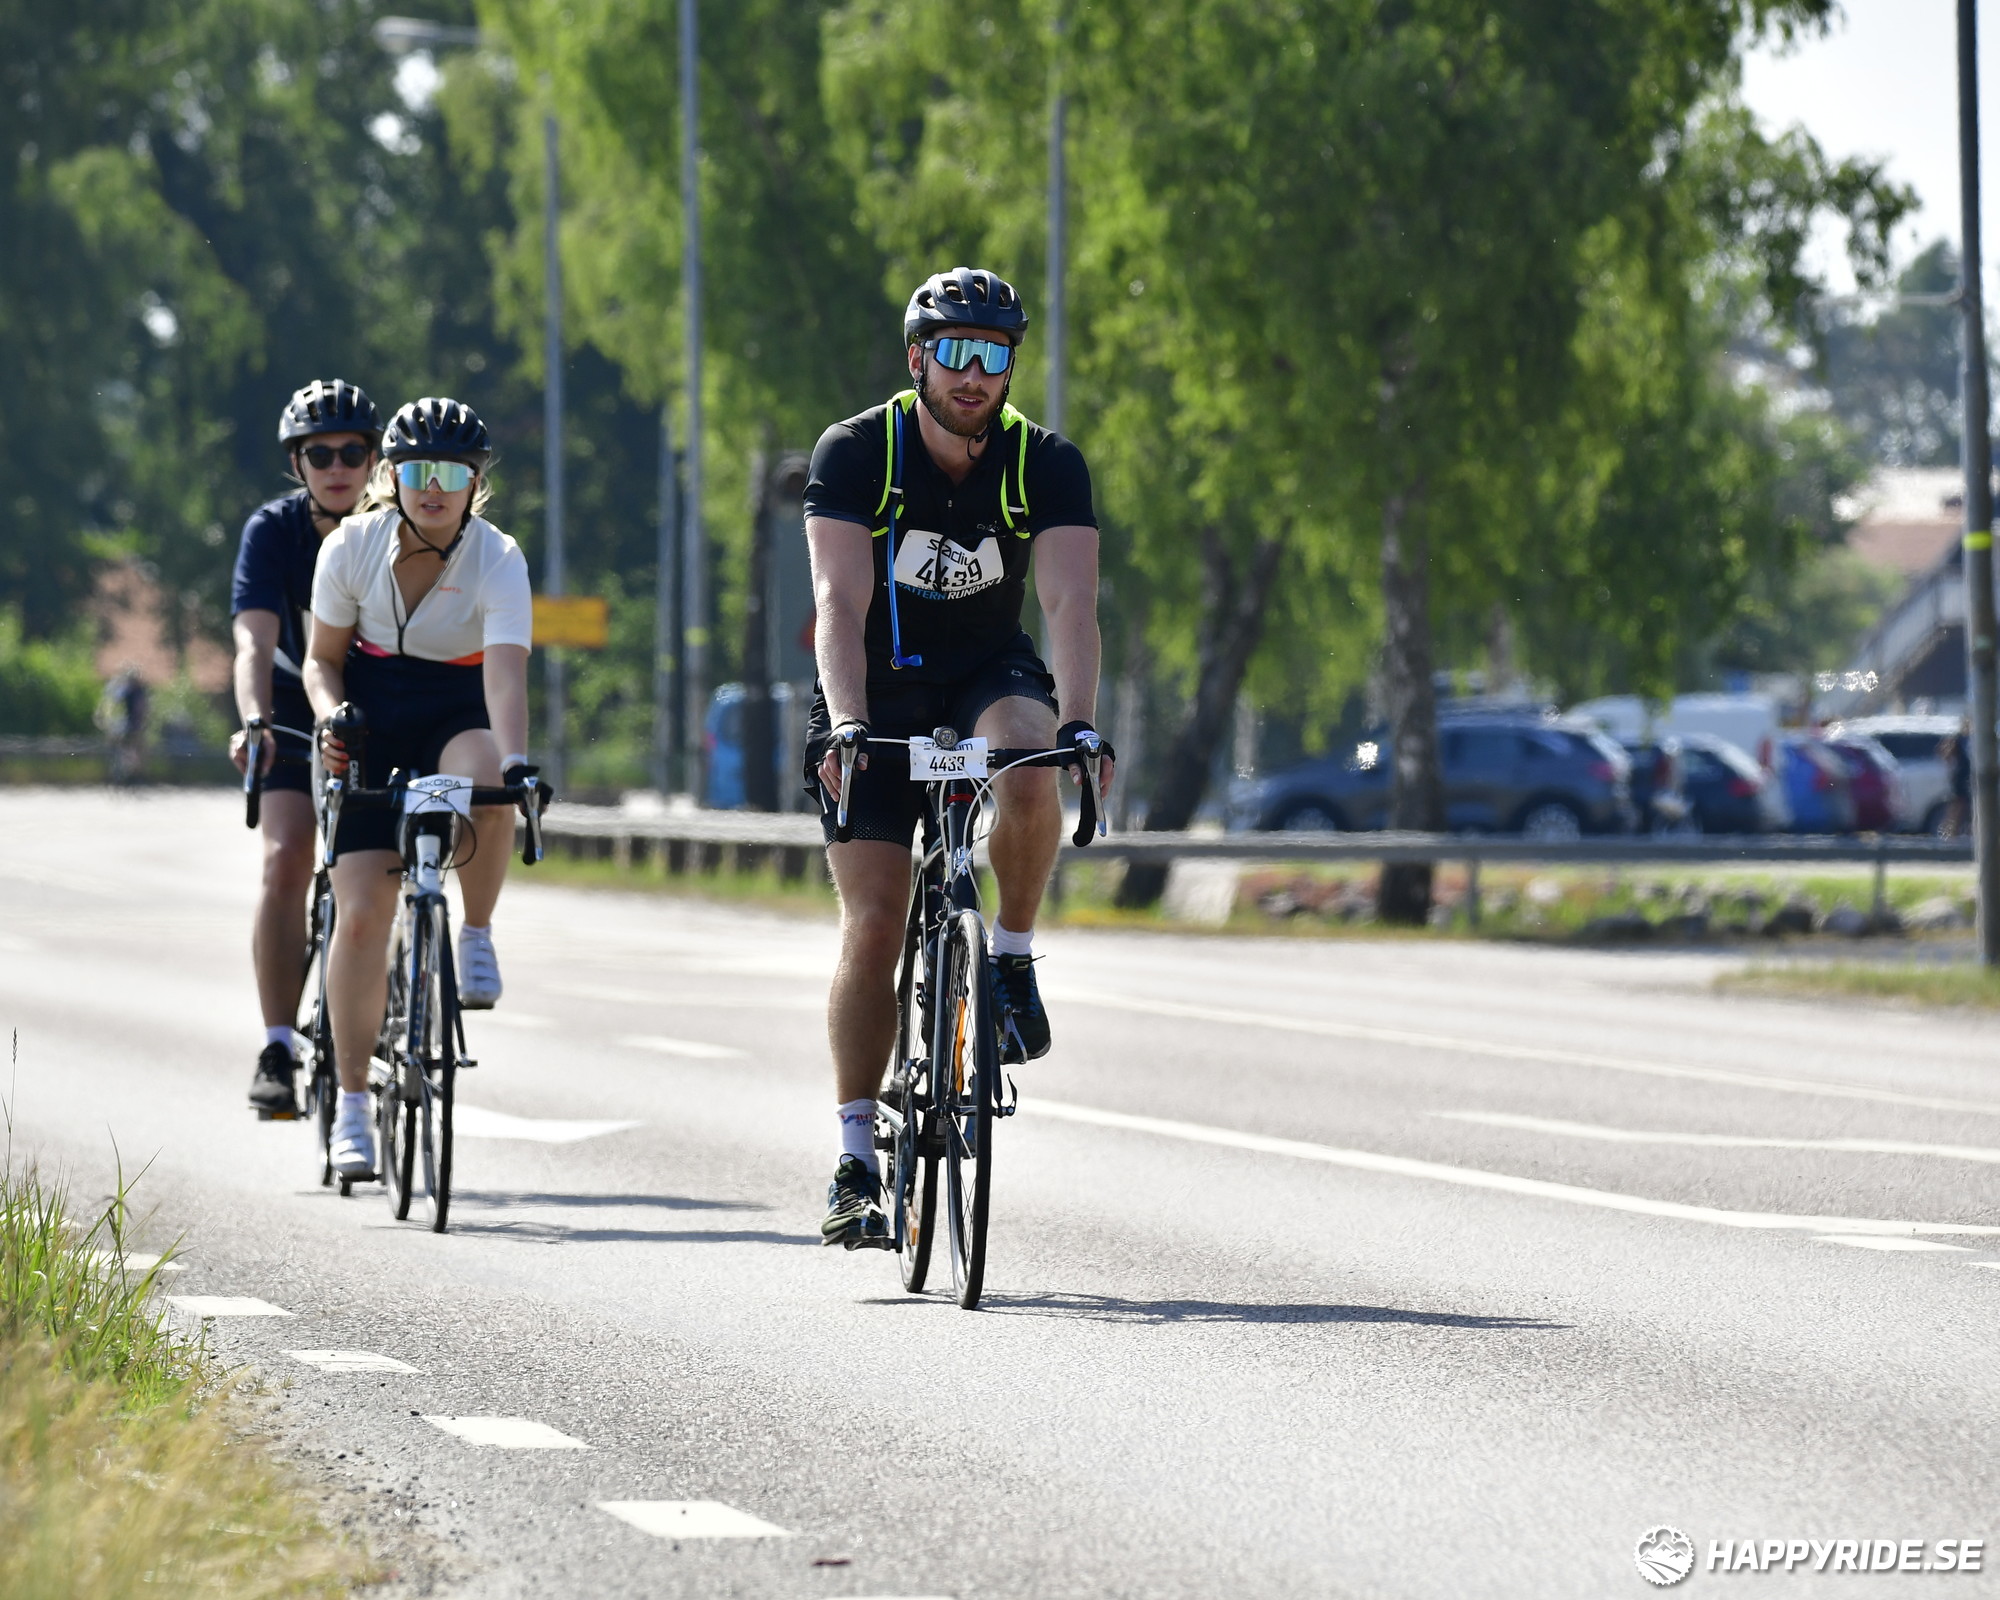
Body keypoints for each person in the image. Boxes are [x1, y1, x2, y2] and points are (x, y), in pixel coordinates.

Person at [802, 266, 1114, 1249]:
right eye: (954, 353)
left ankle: (1010, 959)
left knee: (1030, 752)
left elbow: (1069, 602)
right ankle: (856, 1157)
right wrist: (847, 723)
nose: (973, 374)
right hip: (874, 684)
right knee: (875, 921)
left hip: (985, 670)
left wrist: (1081, 725)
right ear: (917, 359)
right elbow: (836, 601)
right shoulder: (858, 450)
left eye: (993, 355)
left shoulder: (1044, 462)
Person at [303, 397, 534, 1179]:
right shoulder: (350, 547)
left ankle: (475, 933)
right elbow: (321, 659)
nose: (434, 488)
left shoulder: (498, 557)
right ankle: (353, 1107)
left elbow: (506, 676)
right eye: (418, 471)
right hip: (368, 720)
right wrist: (331, 717)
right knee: (363, 917)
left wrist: (518, 760)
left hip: (454, 711)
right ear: (392, 476)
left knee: (488, 775)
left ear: (476, 484)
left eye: (454, 474)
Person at [230, 379, 382, 1118]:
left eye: (353, 452)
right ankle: (277, 1045)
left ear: (375, 459)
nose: (338, 467)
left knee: (386, 864)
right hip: (295, 702)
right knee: (287, 855)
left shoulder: (396, 527)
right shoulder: (273, 531)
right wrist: (254, 721)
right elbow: (253, 643)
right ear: (298, 464)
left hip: (381, 702)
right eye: (320, 455)